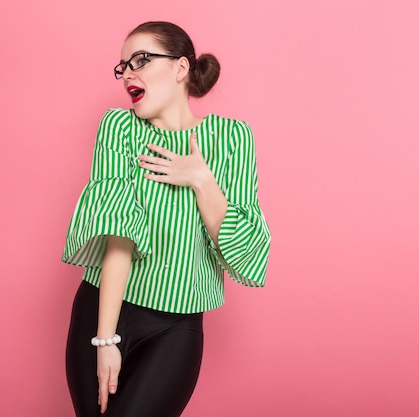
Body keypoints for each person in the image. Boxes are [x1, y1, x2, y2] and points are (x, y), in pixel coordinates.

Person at [62, 21, 271, 417]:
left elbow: (245, 249)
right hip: (103, 310)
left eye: (141, 60)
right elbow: (117, 233)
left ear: (181, 68)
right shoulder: (119, 127)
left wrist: (201, 180)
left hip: (177, 326)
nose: (128, 73)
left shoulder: (233, 138)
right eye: (123, 66)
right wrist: (105, 340)